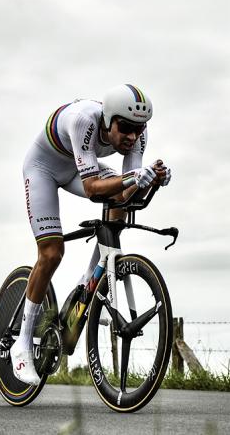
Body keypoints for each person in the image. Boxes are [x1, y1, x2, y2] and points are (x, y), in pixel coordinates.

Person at [11, 84, 172, 385]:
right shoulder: (84, 120)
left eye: (139, 129)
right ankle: (21, 345)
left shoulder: (137, 135)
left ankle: (88, 281)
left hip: (79, 167)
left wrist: (152, 181)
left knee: (119, 203)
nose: (132, 137)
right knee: (52, 253)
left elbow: (128, 191)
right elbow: (91, 189)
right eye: (124, 128)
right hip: (43, 169)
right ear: (109, 120)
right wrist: (135, 178)